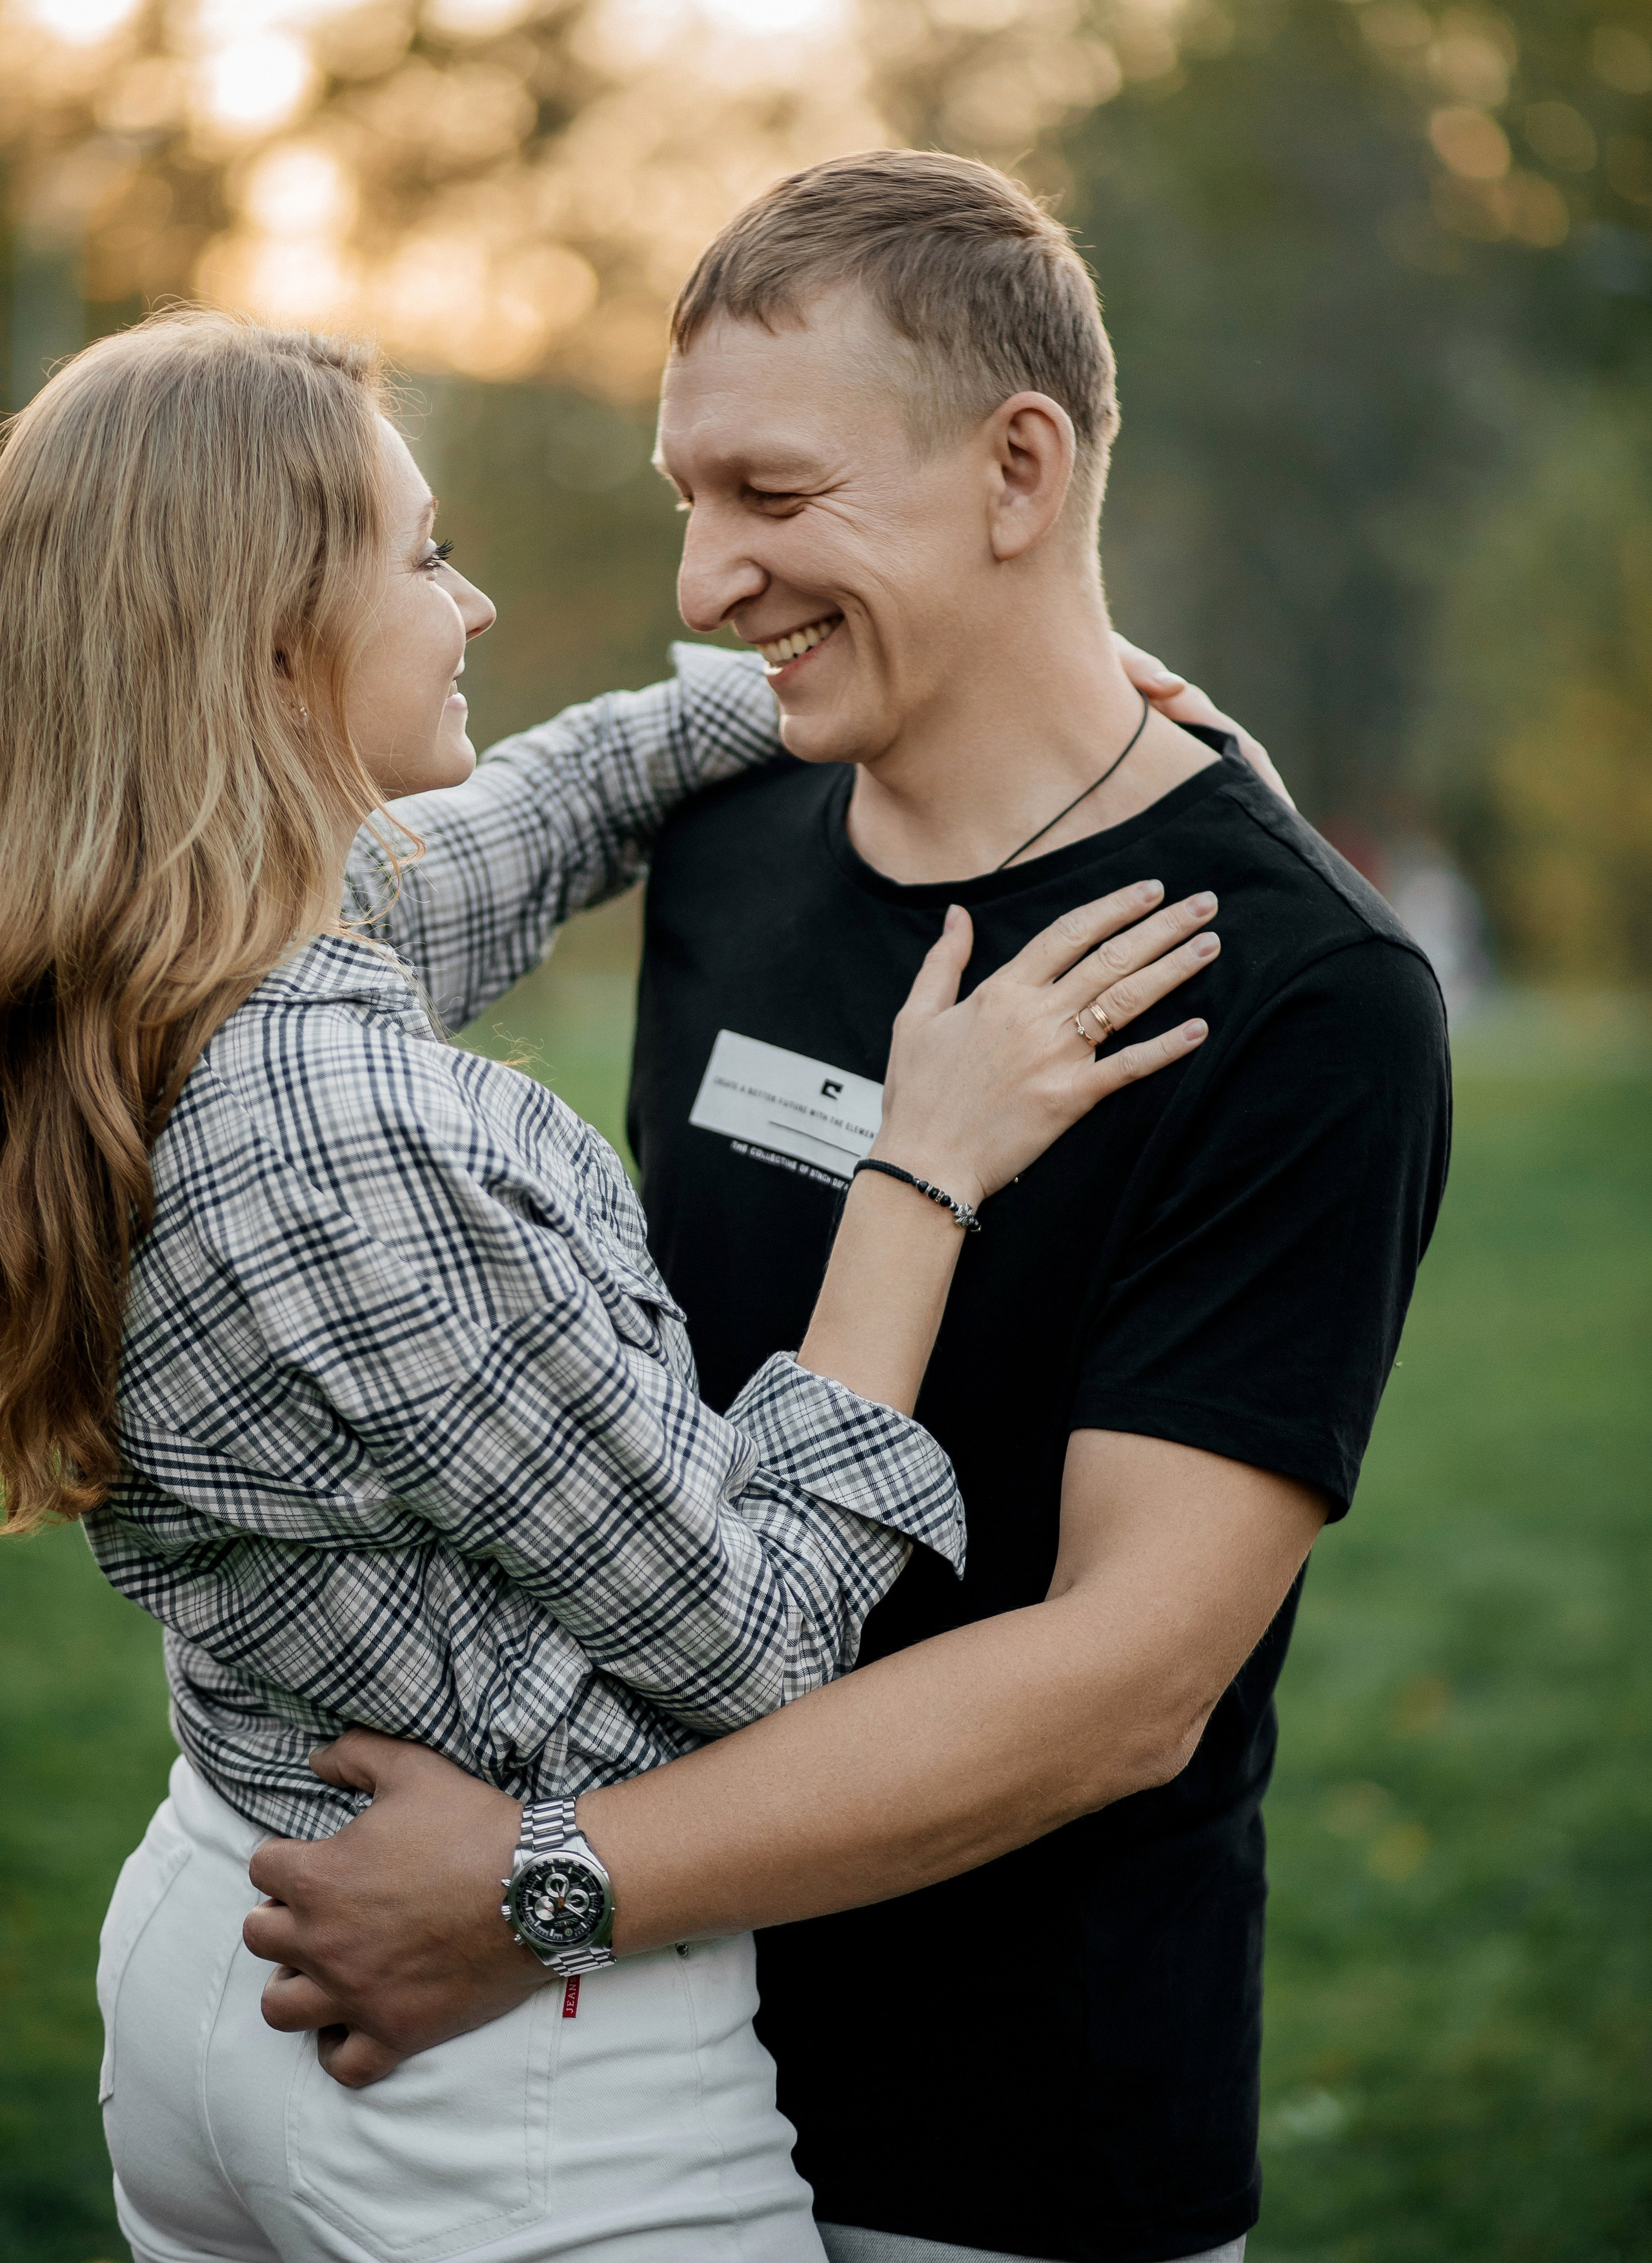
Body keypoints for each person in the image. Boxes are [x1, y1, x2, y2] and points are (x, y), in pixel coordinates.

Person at [247, 154, 1452, 2263]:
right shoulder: (732, 822)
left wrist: (544, 1879)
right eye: (685, 496)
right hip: (602, 2070)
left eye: (774, 497)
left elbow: (1129, 1679)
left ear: (1019, 470)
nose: (707, 578)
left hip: (1007, 2131)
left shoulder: (1299, 992)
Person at [0, 308, 1222, 2263]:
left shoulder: (162, 953)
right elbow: (757, 1642)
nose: (473, 602)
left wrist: (838, 687)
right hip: (491, 2081)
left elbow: (548, 810)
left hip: (225, 1920)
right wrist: (926, 1165)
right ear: (269, 644)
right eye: (423, 556)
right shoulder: (350, 1139)